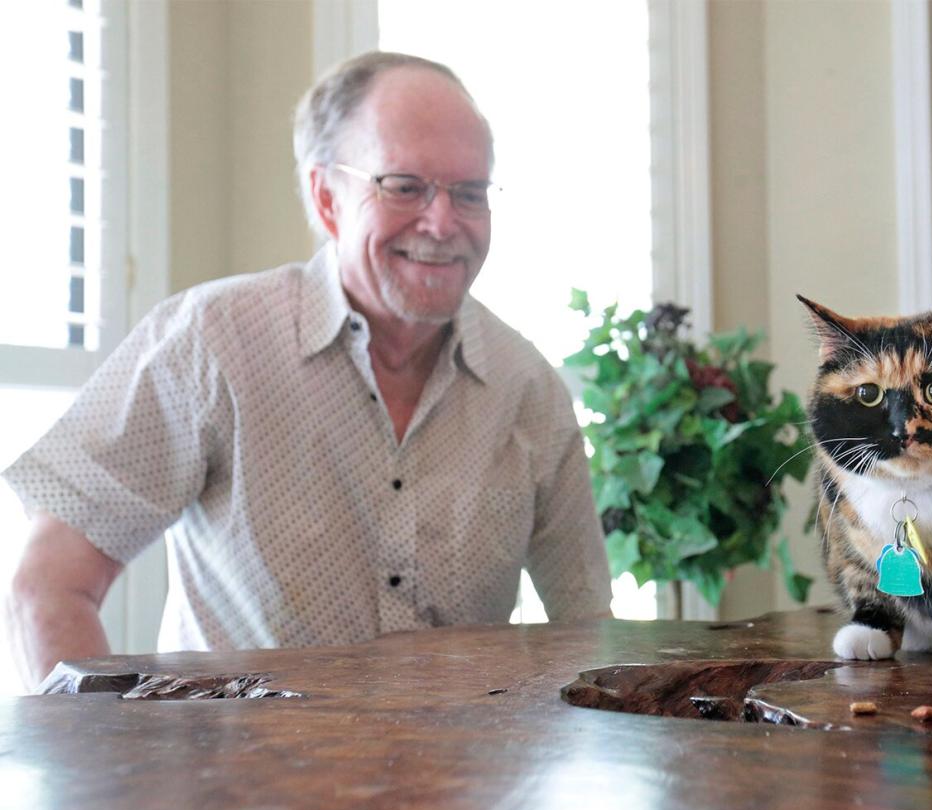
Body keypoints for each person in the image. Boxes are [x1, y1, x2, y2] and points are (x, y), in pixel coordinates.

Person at [2, 52, 612, 691]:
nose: (443, 222)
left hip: (466, 787)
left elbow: (590, 634)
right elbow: (46, 588)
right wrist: (118, 773)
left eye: (470, 193)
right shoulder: (212, 343)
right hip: (239, 788)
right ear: (327, 197)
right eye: (404, 186)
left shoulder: (528, 389)